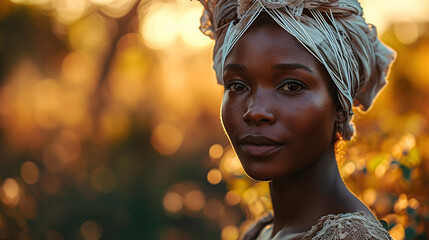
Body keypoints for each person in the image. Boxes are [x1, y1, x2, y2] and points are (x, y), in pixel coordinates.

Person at [197, 0, 396, 239]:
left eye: (291, 86)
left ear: (339, 107)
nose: (256, 111)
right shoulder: (261, 232)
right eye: (237, 85)